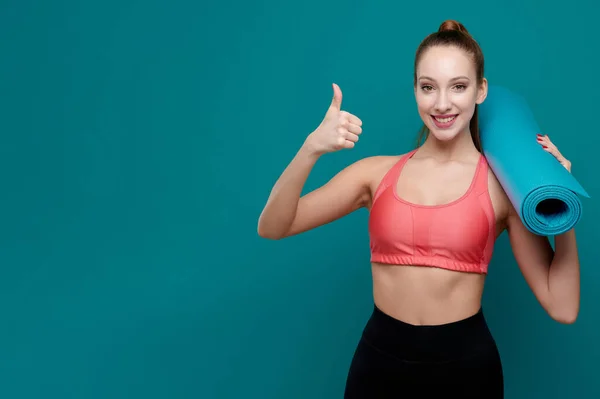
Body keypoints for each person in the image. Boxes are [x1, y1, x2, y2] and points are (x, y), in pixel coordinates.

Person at [257, 19, 580, 398]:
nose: (442, 104)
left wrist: (562, 199)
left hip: (466, 370)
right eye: (428, 88)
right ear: (415, 90)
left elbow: (563, 306)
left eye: (458, 87)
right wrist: (310, 148)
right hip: (379, 364)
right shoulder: (374, 174)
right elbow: (274, 226)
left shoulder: (503, 188)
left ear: (480, 91)